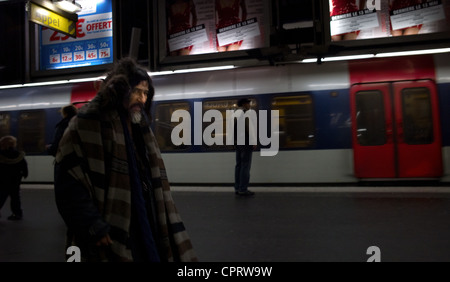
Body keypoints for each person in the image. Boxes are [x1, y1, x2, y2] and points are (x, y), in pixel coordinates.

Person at [54, 57, 198, 262]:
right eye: (137, 91)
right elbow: (67, 182)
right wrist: (92, 224)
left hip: (146, 218)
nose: (142, 99)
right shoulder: (87, 124)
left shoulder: (141, 128)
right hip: (110, 223)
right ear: (120, 90)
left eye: (146, 93)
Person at [0, 135, 28, 220]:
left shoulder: (1, 154)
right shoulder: (18, 154)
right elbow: (24, 166)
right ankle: (17, 214)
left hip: (3, 180)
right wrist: (24, 174)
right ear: (14, 144)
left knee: (1, 196)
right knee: (15, 198)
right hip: (15, 180)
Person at [234, 98, 256, 197]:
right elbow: (249, 128)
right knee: (245, 166)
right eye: (248, 103)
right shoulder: (246, 114)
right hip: (246, 143)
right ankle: (243, 189)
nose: (250, 105)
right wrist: (253, 141)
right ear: (244, 104)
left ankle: (237, 188)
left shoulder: (235, 114)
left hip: (238, 143)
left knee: (238, 165)